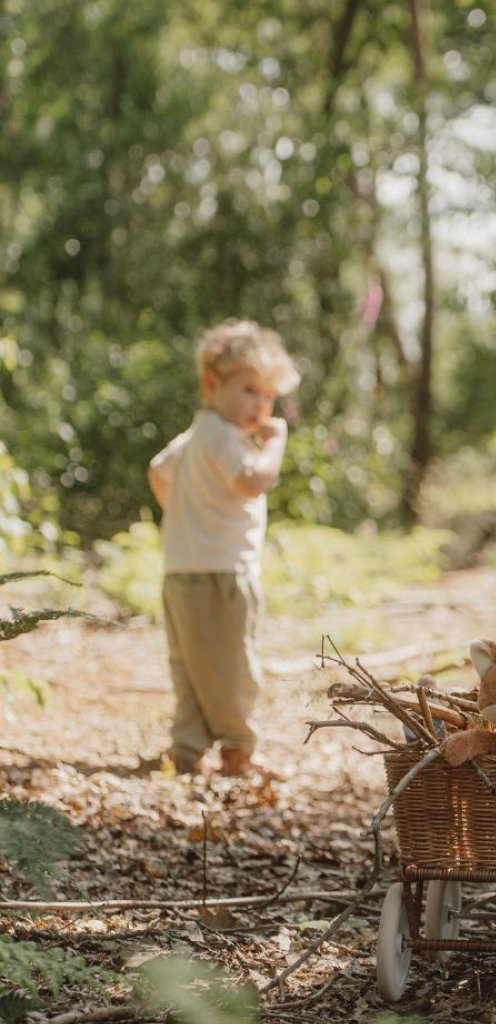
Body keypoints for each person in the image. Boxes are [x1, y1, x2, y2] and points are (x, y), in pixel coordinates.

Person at [147, 319, 300, 777]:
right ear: (213, 385)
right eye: (251, 390)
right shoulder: (226, 437)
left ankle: (187, 748)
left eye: (269, 396)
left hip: (181, 569)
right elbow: (252, 482)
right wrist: (276, 444)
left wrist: (186, 514)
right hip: (223, 572)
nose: (261, 405)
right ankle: (237, 748)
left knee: (189, 666)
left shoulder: (197, 435)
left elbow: (158, 471)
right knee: (234, 664)